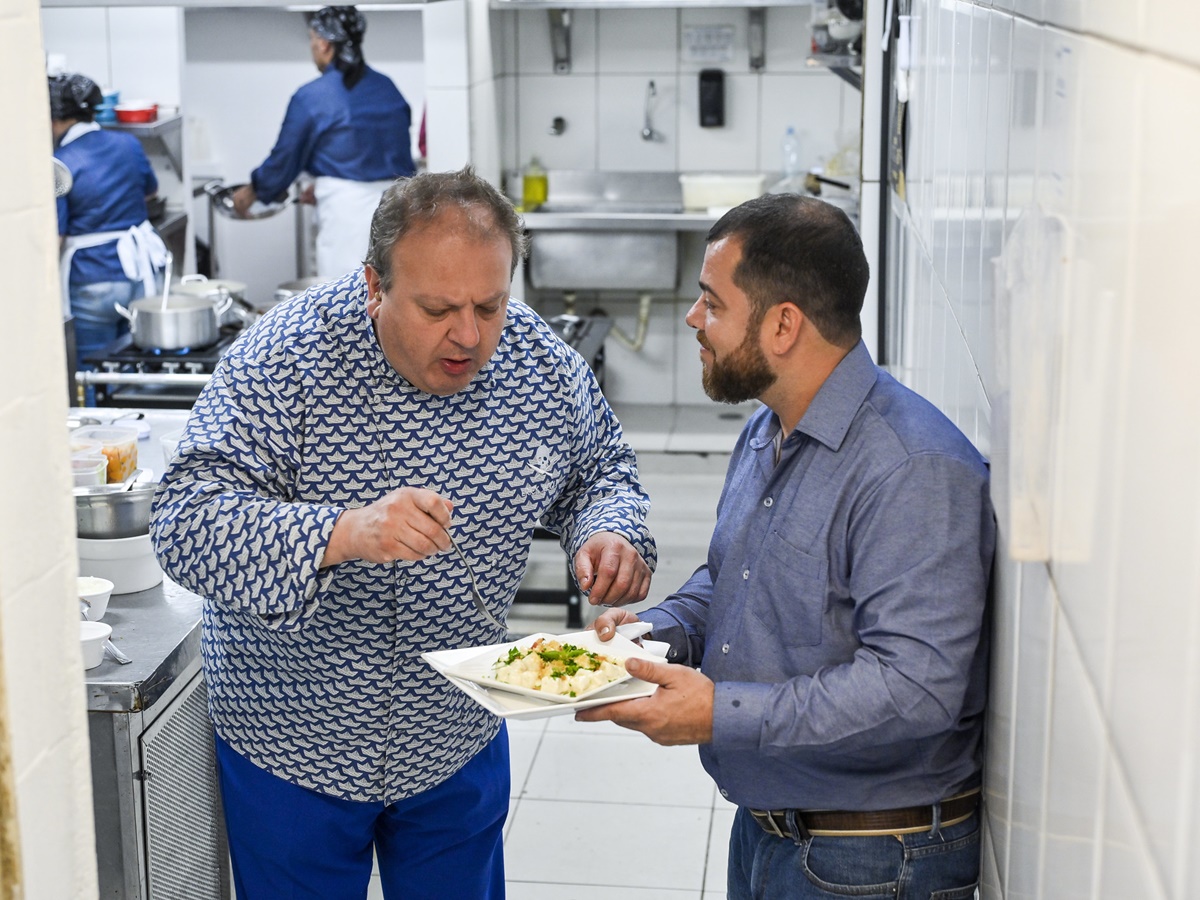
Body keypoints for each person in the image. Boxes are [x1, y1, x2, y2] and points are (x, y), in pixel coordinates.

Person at [150, 166, 656, 900]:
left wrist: (608, 532)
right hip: (294, 740)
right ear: (373, 286)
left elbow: (601, 470)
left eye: (490, 304)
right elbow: (185, 520)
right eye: (438, 308)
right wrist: (342, 532)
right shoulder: (284, 360)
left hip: (456, 731)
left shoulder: (539, 364)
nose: (469, 335)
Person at [578, 194, 996, 899]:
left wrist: (718, 713)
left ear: (782, 325)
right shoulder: (769, 427)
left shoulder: (912, 470)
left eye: (711, 302)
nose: (693, 320)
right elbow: (735, 575)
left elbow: (915, 688)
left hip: (870, 860)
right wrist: (655, 635)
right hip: (775, 830)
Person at [231, 5, 416, 280]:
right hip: (400, 211)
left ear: (325, 44)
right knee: (392, 292)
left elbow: (285, 157)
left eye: (312, 40)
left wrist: (252, 192)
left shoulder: (313, 96)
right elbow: (371, 153)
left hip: (346, 219)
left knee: (348, 302)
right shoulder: (388, 87)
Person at [51, 72, 167, 370]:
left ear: (53, 119)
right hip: (139, 275)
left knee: (95, 370)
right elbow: (151, 191)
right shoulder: (127, 145)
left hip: (93, 279)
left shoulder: (61, 162)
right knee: (137, 365)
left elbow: (56, 236)